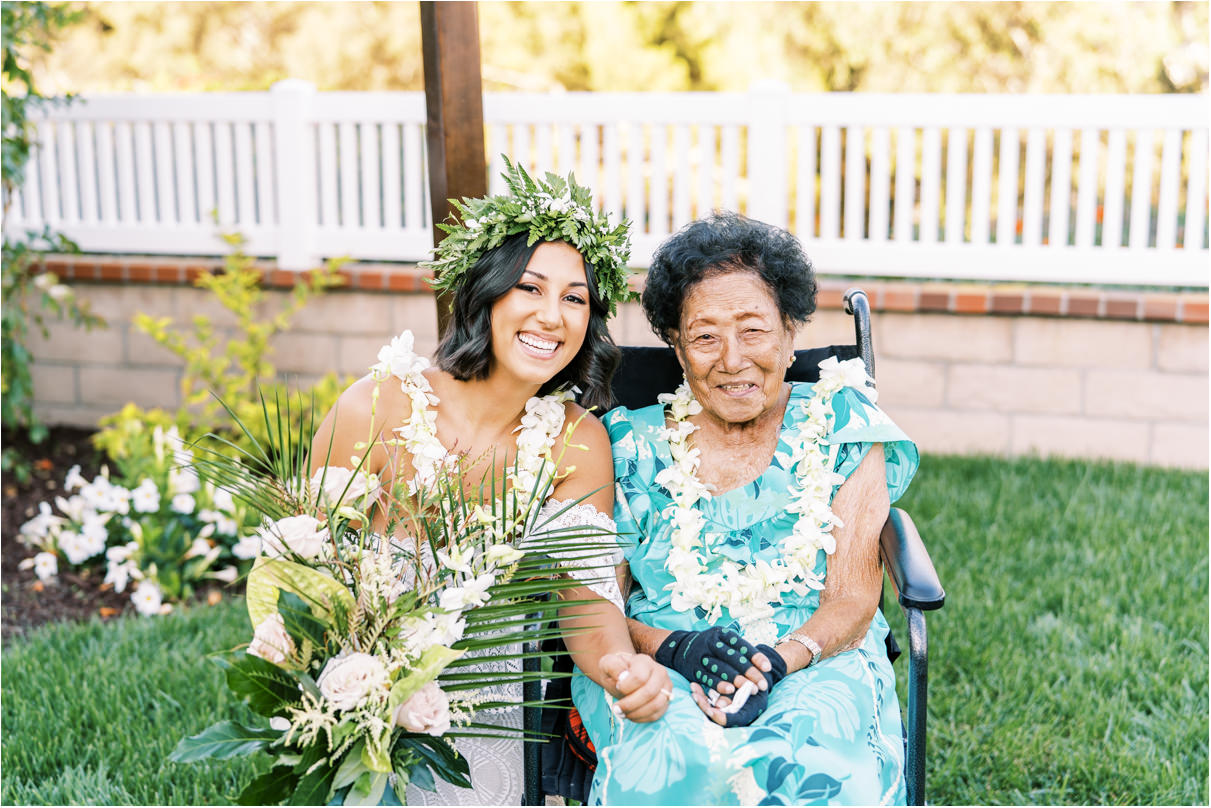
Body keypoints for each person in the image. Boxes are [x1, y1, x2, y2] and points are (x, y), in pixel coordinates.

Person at [308, 161, 672, 805]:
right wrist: (359, 681)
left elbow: (584, 602)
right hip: (352, 685)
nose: (551, 316)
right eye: (529, 288)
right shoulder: (377, 406)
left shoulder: (577, 444)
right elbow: (307, 574)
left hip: (491, 698)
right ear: (486, 292)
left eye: (574, 298)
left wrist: (622, 668)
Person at [570, 212, 920, 805]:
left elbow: (855, 598)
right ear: (678, 350)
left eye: (753, 330)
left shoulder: (845, 426)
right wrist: (676, 649)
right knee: (676, 759)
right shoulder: (625, 444)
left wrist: (777, 663)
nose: (731, 359)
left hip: (815, 655)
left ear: (789, 334)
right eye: (705, 336)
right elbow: (597, 600)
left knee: (808, 757)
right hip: (663, 657)